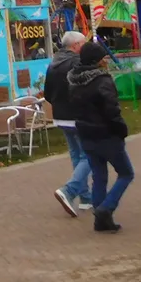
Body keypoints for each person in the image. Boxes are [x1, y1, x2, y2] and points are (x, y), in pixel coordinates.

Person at [67, 41, 134, 233]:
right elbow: (112, 110)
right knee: (126, 173)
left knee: (99, 175)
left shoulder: (74, 81)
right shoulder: (103, 81)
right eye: (103, 57)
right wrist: (121, 130)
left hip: (86, 134)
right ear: (97, 60)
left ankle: (100, 220)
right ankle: (106, 208)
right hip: (107, 134)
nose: (106, 60)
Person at [44, 31, 92, 218]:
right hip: (77, 115)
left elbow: (47, 92)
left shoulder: (53, 63)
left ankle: (86, 198)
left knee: (76, 155)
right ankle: (69, 191)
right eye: (84, 43)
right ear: (76, 45)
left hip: (60, 116)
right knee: (89, 154)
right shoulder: (76, 63)